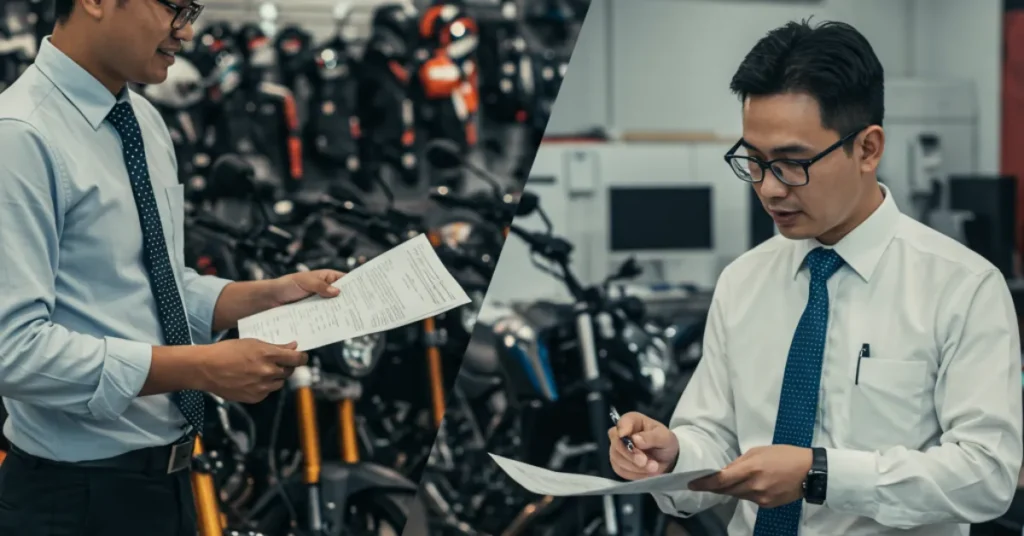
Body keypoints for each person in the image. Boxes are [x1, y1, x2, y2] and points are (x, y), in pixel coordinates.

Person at [608, 19, 1023, 536]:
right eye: (754, 162)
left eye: (792, 163)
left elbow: (987, 475)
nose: (769, 189)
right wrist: (672, 455)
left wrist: (820, 473)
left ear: (868, 149)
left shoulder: (961, 287)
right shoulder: (743, 281)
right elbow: (713, 433)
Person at [0, 1, 346, 534]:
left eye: (194, 9)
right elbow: (15, 351)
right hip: (75, 498)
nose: (187, 29)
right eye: (173, 7)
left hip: (171, 481)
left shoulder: (144, 120)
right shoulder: (20, 136)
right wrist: (203, 368)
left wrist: (265, 295)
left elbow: (152, 282)